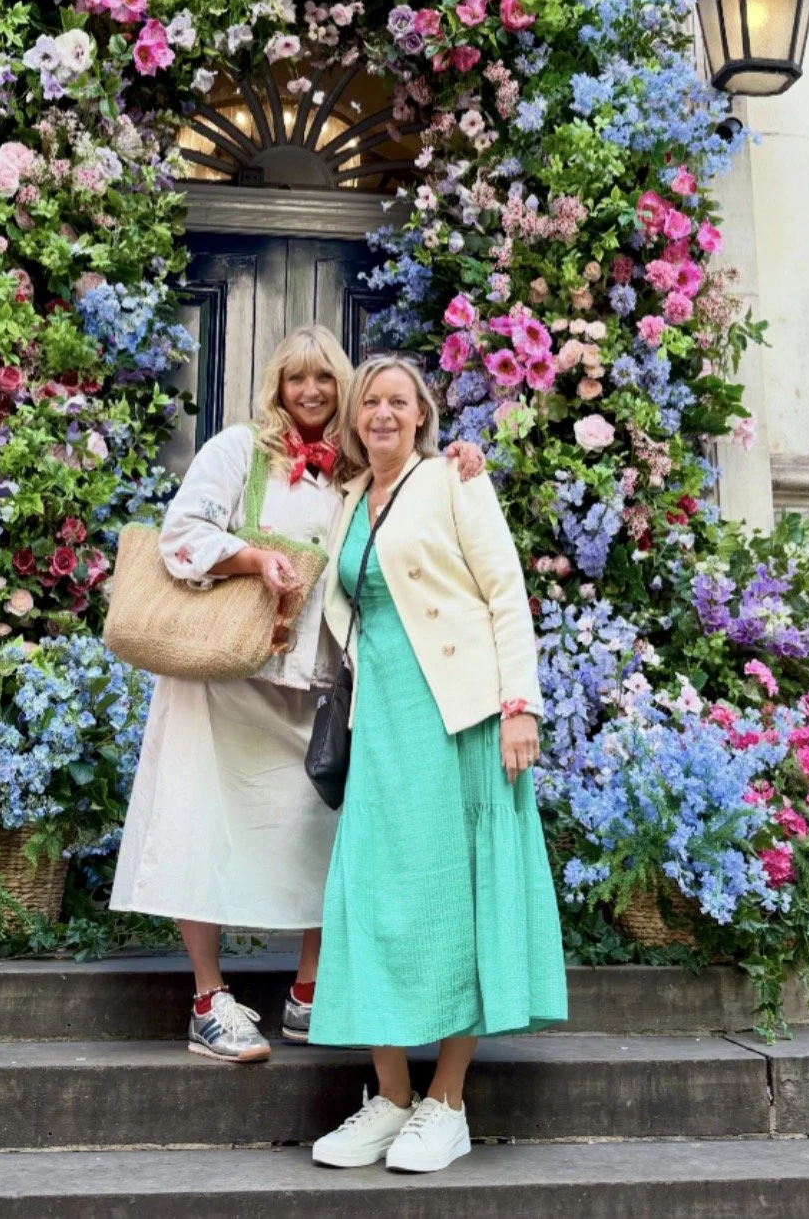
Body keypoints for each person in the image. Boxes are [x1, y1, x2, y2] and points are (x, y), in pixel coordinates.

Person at [110, 327, 485, 1064]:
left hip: (309, 684)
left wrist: (460, 461)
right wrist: (253, 557)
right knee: (201, 825)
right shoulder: (239, 451)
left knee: (319, 832)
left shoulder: (351, 468)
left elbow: (408, 494)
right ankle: (209, 998)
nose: (310, 392)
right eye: (295, 379)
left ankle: (310, 992)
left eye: (324, 380)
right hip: (220, 677)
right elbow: (179, 534)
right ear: (276, 386)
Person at [309, 354, 567, 1171]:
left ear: (422, 413)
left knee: (459, 895)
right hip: (378, 720)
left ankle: (446, 1100)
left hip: (459, 714)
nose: (382, 413)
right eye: (369, 402)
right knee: (373, 893)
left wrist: (519, 706)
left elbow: (505, 593)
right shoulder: (346, 500)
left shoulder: (456, 481)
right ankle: (389, 1097)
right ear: (355, 419)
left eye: (398, 401)